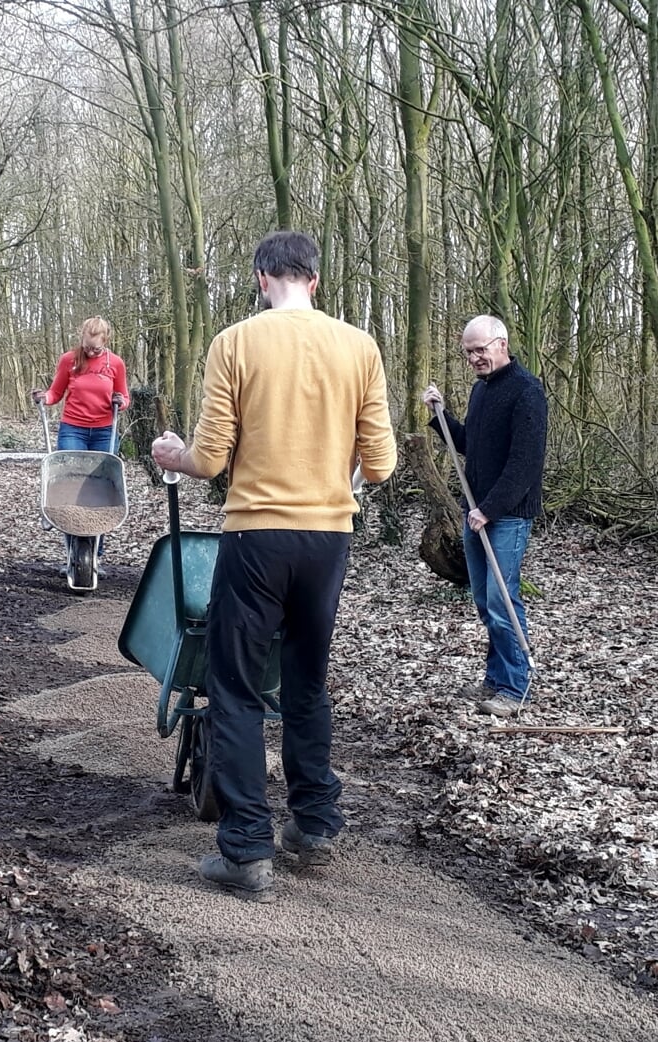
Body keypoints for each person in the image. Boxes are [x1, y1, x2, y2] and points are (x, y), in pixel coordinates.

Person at [151, 231, 397, 902]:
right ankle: (315, 826)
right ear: (314, 281)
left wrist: (171, 452)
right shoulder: (359, 348)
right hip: (326, 539)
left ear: (262, 278)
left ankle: (245, 850)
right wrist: (331, 464)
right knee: (305, 683)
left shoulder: (235, 343)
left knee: (233, 689)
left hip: (256, 534)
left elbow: (206, 459)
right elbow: (381, 465)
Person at [422, 315, 549, 717]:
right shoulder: (482, 391)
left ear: (501, 344)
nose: (475, 357)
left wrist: (489, 510)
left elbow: (524, 464)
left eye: (481, 349)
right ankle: (495, 679)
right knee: (484, 600)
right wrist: (440, 416)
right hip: (476, 512)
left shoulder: (527, 392)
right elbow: (469, 447)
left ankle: (514, 688)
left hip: (506, 517)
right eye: (469, 352)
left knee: (502, 599)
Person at [34, 316, 130, 571]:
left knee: (102, 491)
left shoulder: (115, 364)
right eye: (87, 346)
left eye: (95, 348)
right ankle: (72, 554)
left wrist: (121, 401)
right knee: (66, 488)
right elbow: (56, 392)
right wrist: (45, 396)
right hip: (73, 429)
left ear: (105, 342)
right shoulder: (70, 360)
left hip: (103, 430)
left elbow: (124, 396)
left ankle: (95, 554)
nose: (90, 352)